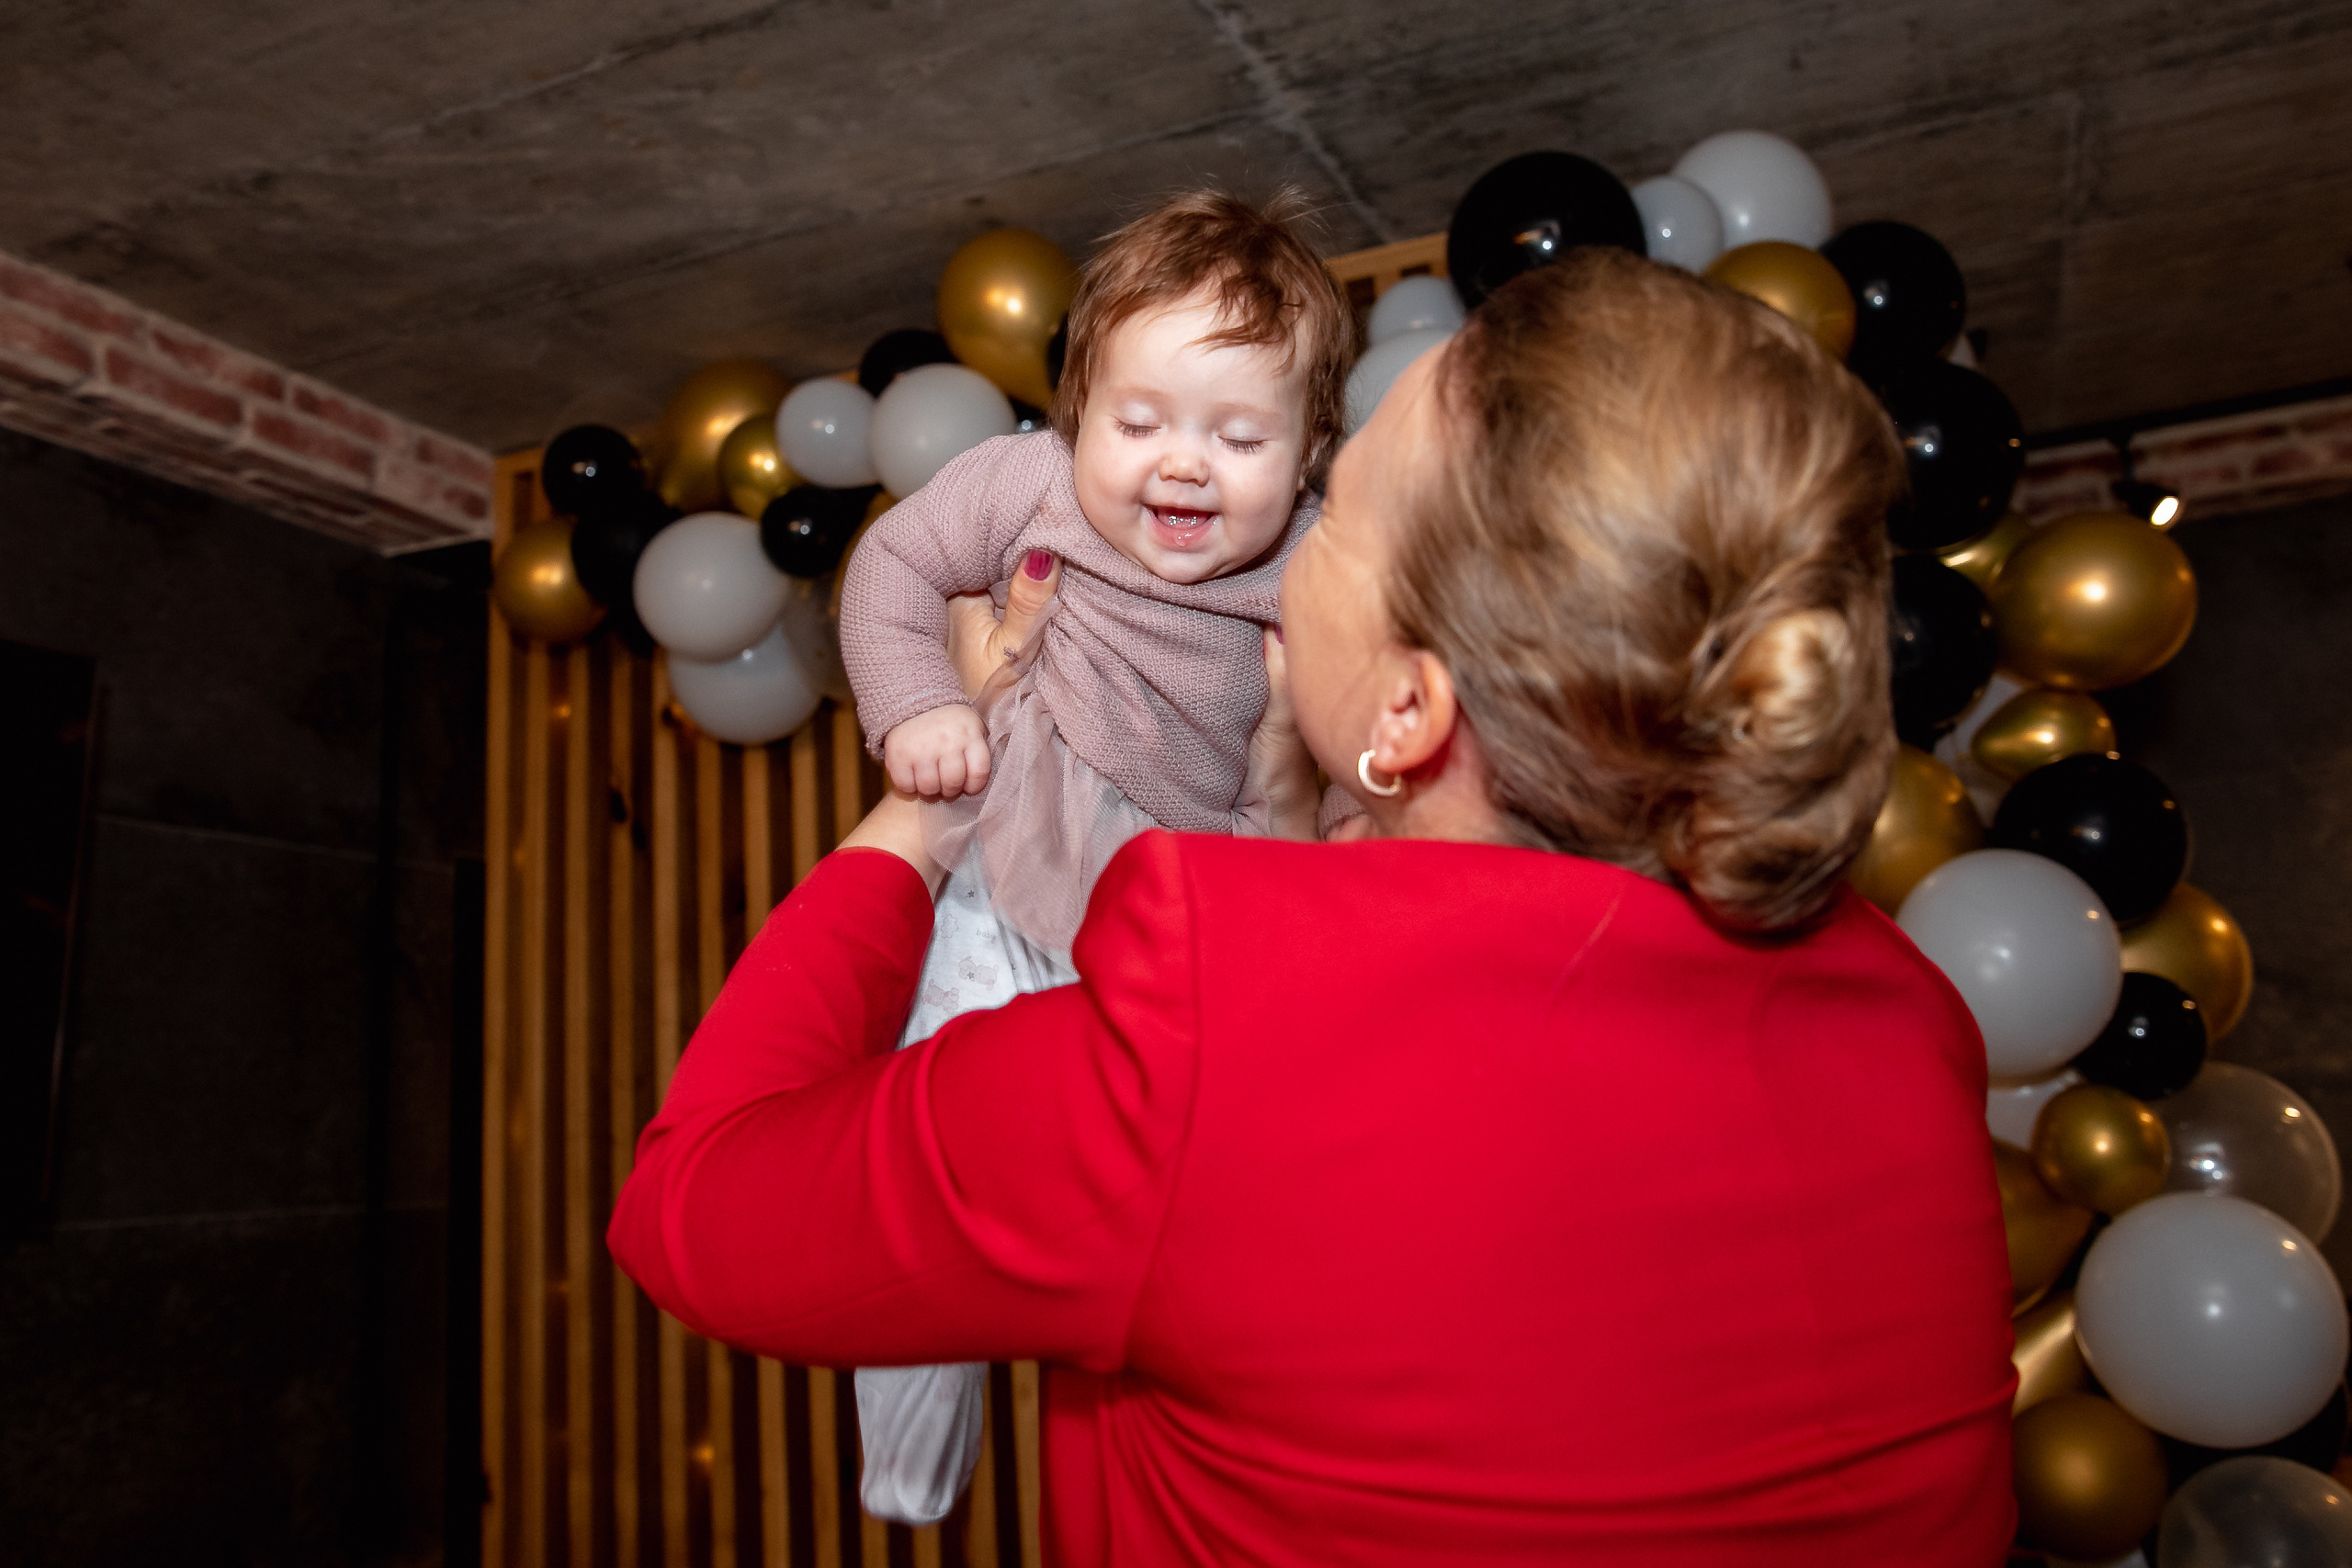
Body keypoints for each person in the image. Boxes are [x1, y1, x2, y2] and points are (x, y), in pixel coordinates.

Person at [610, 249, 2018, 1564]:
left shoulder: (1215, 1017)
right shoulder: (1908, 1011)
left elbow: (693, 1208)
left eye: (1334, 511)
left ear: (1409, 707)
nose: (1285, 543)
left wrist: (933, 798)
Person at [831, 189, 1348, 1522]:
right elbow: (890, 569)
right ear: (1075, 414)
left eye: (1239, 437)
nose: (1182, 466)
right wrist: (922, 708)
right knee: (925, 1170)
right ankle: (906, 1469)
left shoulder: (1311, 568)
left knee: (1183, 1215)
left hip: (1173, 929)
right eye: (1140, 423)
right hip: (1006, 882)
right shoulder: (1024, 488)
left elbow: (1330, 773)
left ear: (1308, 455)